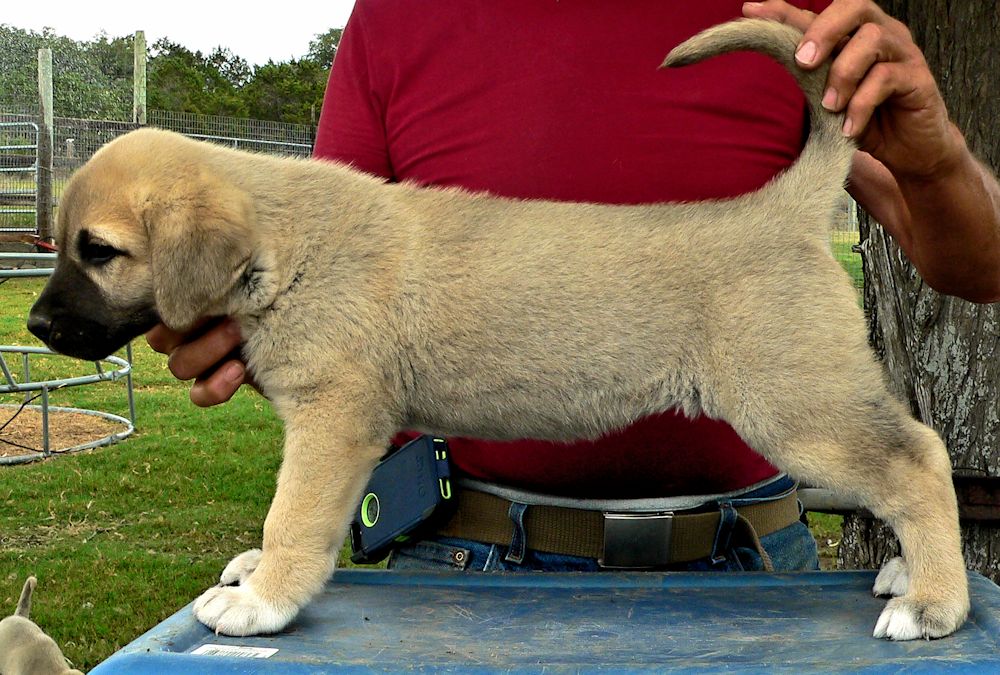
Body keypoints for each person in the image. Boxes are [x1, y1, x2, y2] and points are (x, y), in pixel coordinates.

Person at [147, 0, 1000, 572]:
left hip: (750, 557)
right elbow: (336, 285)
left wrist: (938, 157)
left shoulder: (792, 13)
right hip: (462, 559)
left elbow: (980, 265)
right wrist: (252, 326)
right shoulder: (396, 16)